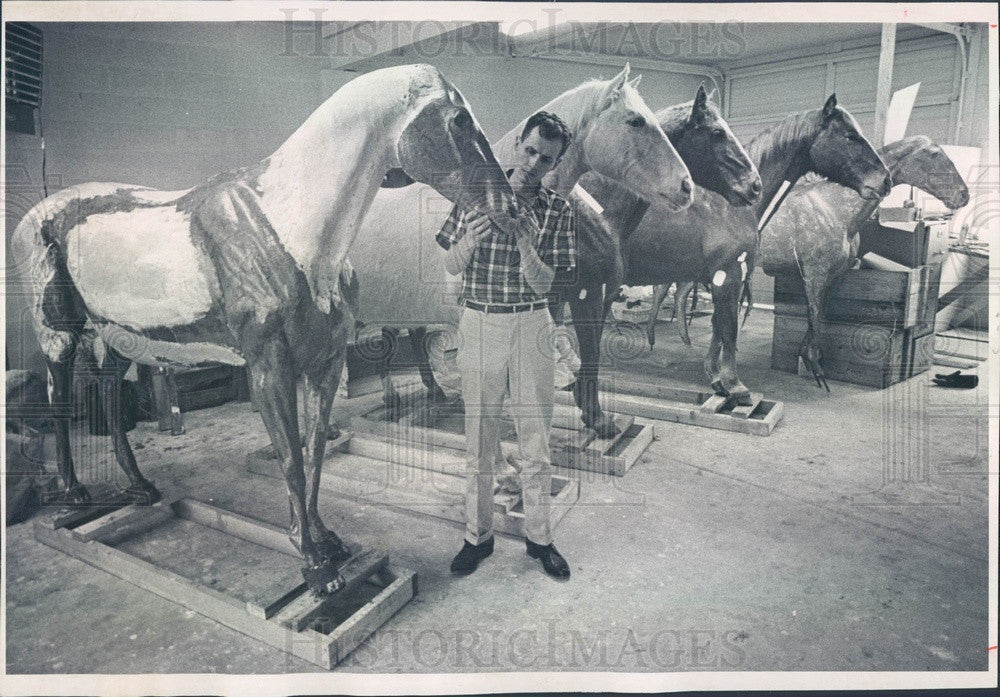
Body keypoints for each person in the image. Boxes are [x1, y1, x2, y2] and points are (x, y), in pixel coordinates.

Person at [436, 111, 576, 580]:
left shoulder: (558, 211)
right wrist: (469, 245)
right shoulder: (474, 196)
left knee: (535, 438)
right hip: (479, 322)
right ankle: (477, 538)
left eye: (546, 158)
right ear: (519, 143)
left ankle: (541, 540)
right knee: (479, 438)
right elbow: (452, 266)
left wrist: (527, 248)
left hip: (532, 324)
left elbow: (544, 284)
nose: (534, 163)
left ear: (557, 162)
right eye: (531, 150)